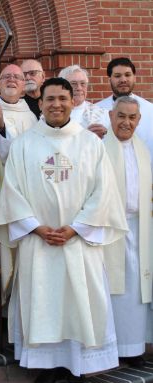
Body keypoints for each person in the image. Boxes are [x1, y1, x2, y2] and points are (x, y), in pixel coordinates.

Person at [0, 77, 129, 381]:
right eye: (50, 99)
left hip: (78, 242)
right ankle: (45, 367)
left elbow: (104, 192)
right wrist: (36, 228)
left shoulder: (90, 143)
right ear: (40, 104)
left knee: (79, 302)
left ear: (72, 102)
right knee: (43, 303)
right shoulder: (24, 144)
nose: (56, 104)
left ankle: (78, 365)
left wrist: (76, 228)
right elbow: (12, 190)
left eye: (62, 99)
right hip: (38, 243)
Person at [103, 97, 153, 367]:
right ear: (111, 116)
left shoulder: (143, 150)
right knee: (112, 291)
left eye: (132, 118)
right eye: (121, 116)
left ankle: (133, 349)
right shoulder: (98, 148)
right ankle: (110, 349)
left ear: (139, 120)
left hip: (140, 227)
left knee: (136, 292)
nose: (126, 122)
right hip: (108, 230)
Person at [96, 57, 153, 155]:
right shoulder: (96, 110)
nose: (123, 80)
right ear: (110, 79)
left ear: (134, 77)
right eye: (117, 76)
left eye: (127, 75)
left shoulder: (150, 110)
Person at [0, 64, 37, 164]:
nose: (11, 79)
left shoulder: (31, 117)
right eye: (6, 76)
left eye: (17, 77)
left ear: (23, 86)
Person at [59, 64, 109, 138]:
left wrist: (106, 133)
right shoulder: (54, 112)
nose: (79, 88)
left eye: (83, 83)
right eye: (73, 84)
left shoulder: (102, 113)